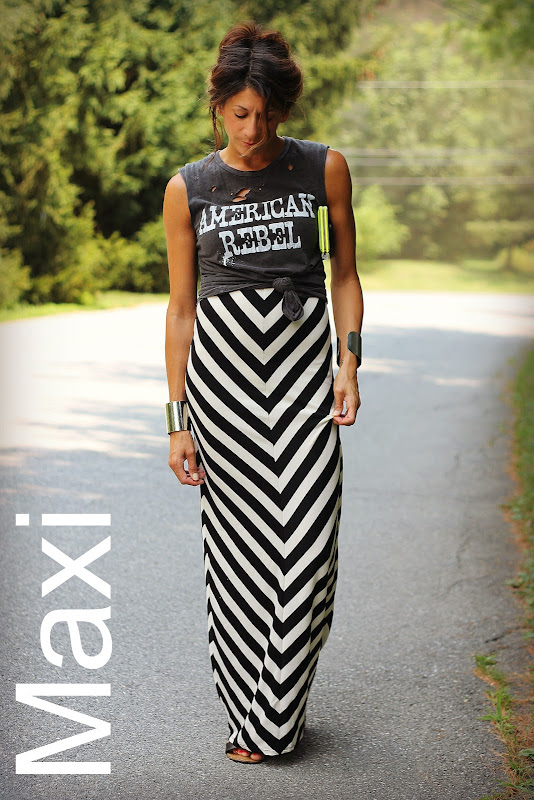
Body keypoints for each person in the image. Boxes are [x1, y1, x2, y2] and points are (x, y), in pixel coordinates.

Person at [163, 20, 363, 764]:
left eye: (268, 115)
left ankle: (273, 710)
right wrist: (178, 420)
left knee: (308, 550)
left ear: (284, 110)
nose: (253, 131)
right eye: (241, 114)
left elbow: (345, 276)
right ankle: (261, 720)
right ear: (218, 105)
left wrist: (349, 363)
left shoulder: (324, 168)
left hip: (304, 382)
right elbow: (180, 311)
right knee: (239, 559)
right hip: (222, 389)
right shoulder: (187, 188)